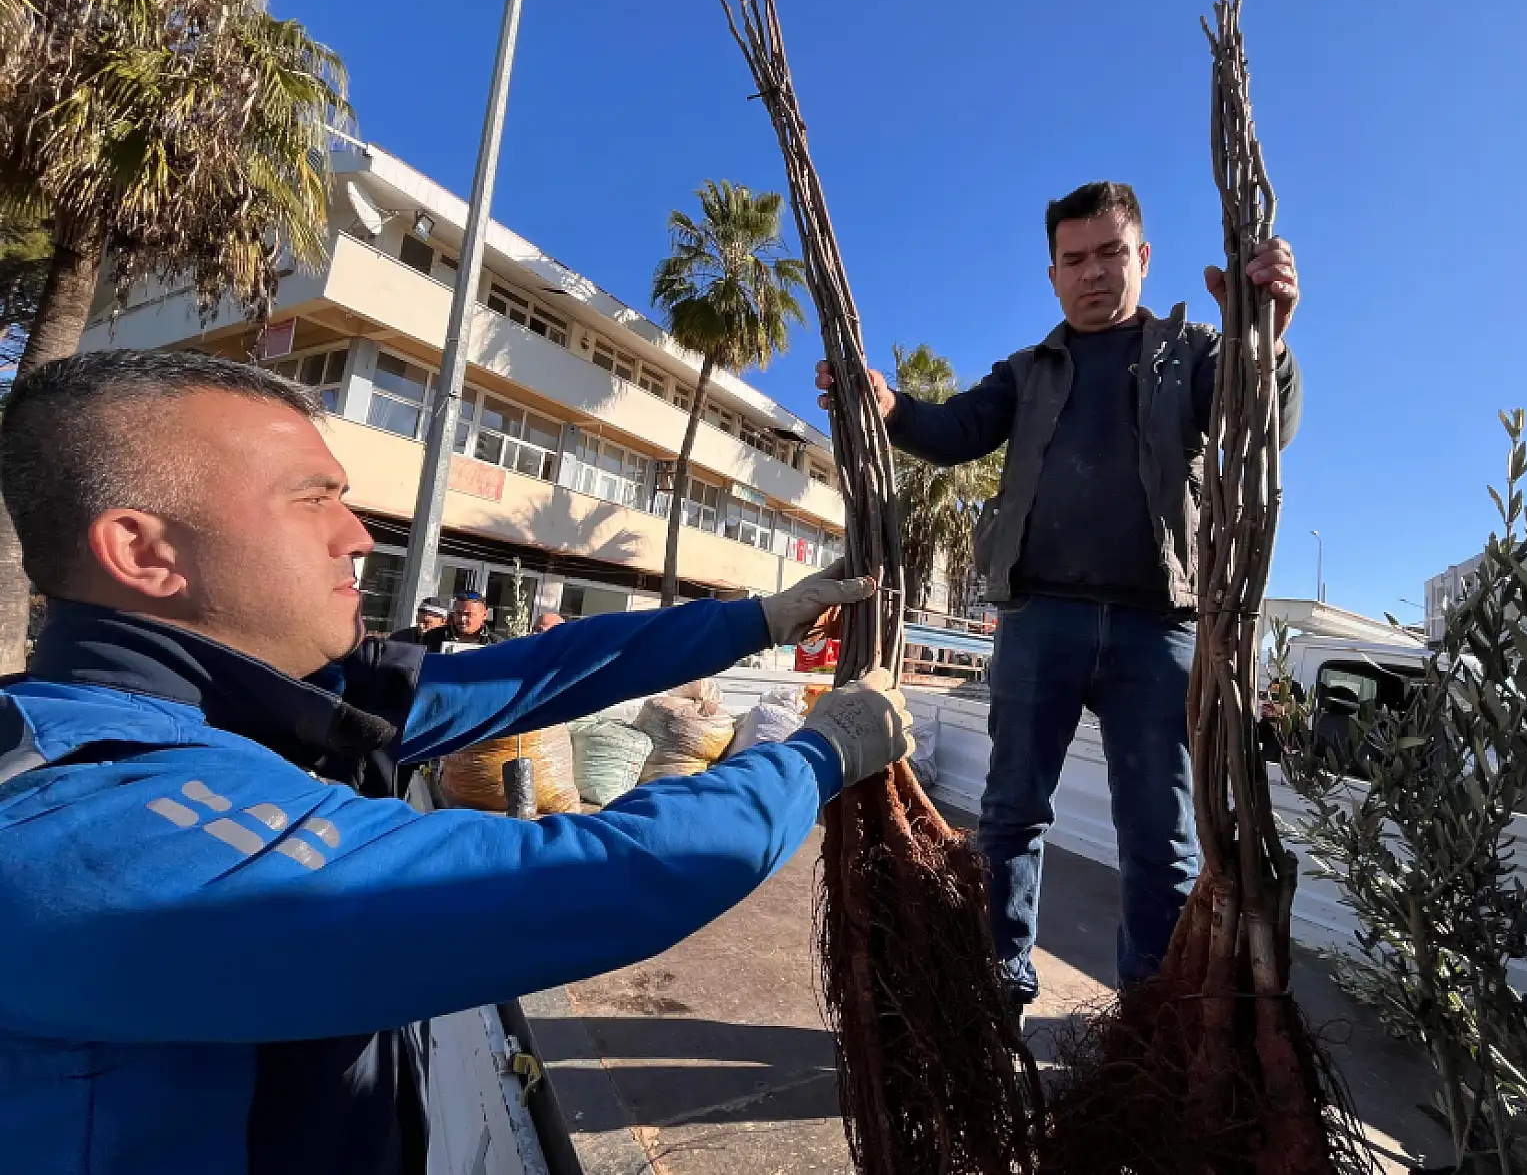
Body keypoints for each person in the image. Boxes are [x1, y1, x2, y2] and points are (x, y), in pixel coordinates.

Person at [0, 349, 914, 1175]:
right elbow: (590, 881)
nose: (356, 535)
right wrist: (815, 758)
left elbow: (521, 678)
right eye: (312, 498)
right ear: (143, 551)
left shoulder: (247, 700)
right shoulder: (89, 824)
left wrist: (756, 620)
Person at [816, 181, 1303, 1010]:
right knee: (1010, 814)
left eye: (1111, 253)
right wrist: (889, 404)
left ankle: (1148, 1013)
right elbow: (956, 432)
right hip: (1040, 618)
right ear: (1052, 276)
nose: (1093, 273)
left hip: (1160, 628)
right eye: (1074, 259)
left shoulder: (1188, 351)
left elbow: (1264, 421)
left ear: (1142, 258)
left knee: (1161, 838)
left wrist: (1268, 338)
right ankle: (1000, 979)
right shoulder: (1029, 371)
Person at [423, 590, 503, 650]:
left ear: (484, 615)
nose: (462, 619)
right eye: (458, 613)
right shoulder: (432, 637)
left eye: (468, 614)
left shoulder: (497, 645)